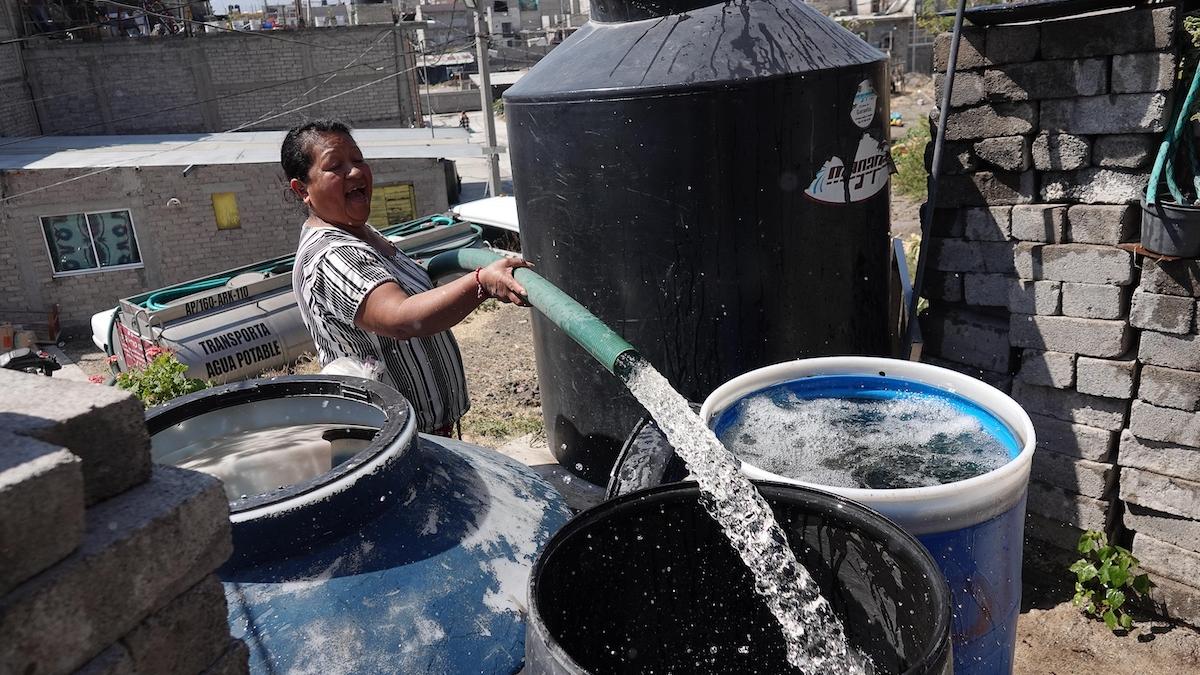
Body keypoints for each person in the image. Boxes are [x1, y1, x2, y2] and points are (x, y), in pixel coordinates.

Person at [282, 120, 530, 436]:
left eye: (358, 160)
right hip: (395, 442)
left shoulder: (361, 233)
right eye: (336, 166)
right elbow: (401, 319)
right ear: (302, 189)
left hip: (423, 433)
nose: (356, 172)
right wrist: (481, 283)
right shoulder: (333, 255)